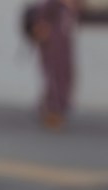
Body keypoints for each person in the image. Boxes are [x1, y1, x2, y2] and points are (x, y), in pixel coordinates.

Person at [22, 0, 78, 129]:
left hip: (63, 47)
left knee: (64, 76)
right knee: (55, 77)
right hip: (53, 47)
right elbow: (41, 21)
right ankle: (52, 111)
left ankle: (54, 109)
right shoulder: (53, 4)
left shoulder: (67, 6)